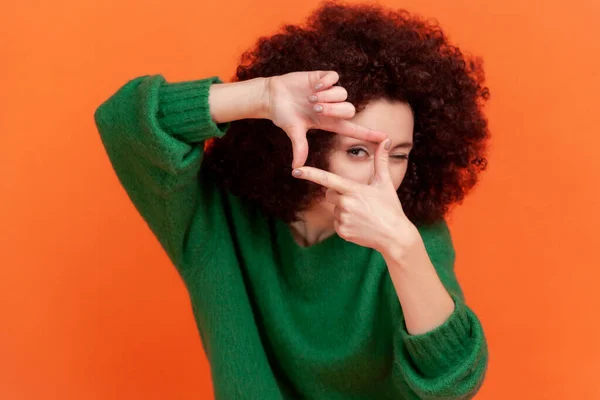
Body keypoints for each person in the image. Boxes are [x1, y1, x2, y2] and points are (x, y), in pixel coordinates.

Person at [94, 2, 490, 399]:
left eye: (399, 155)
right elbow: (122, 121)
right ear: (306, 143)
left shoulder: (411, 235)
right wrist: (263, 96)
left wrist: (402, 249)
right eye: (358, 151)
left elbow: (452, 385)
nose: (381, 177)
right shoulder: (218, 217)